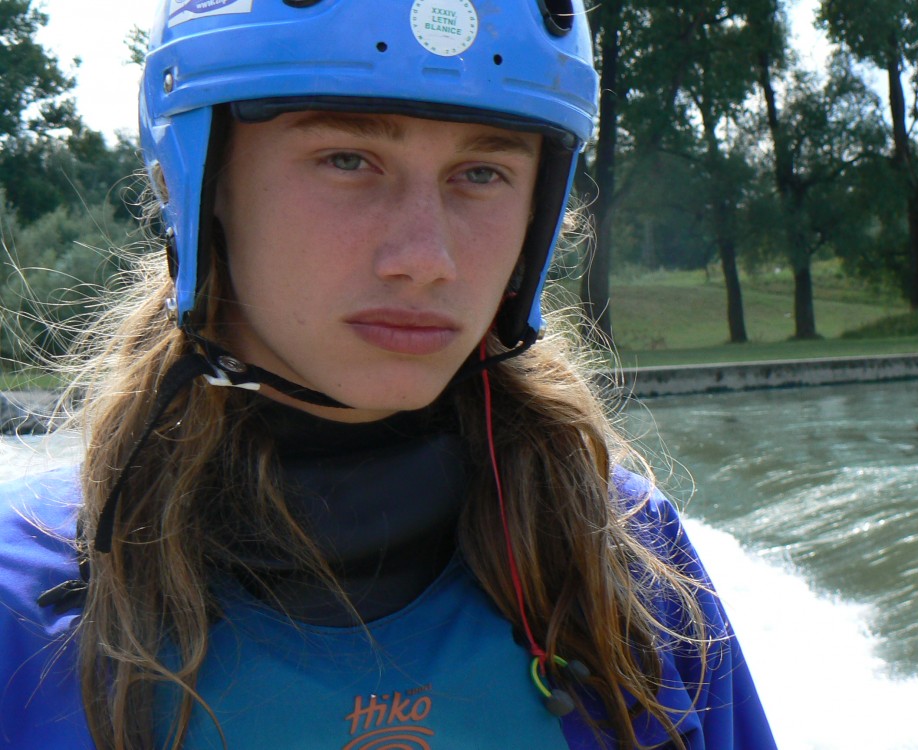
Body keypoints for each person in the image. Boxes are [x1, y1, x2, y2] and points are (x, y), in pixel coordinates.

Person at [0, 2, 777, 748]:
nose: (426, 260)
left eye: (481, 173)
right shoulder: (18, 602)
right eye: (348, 160)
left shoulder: (627, 555)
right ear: (199, 181)